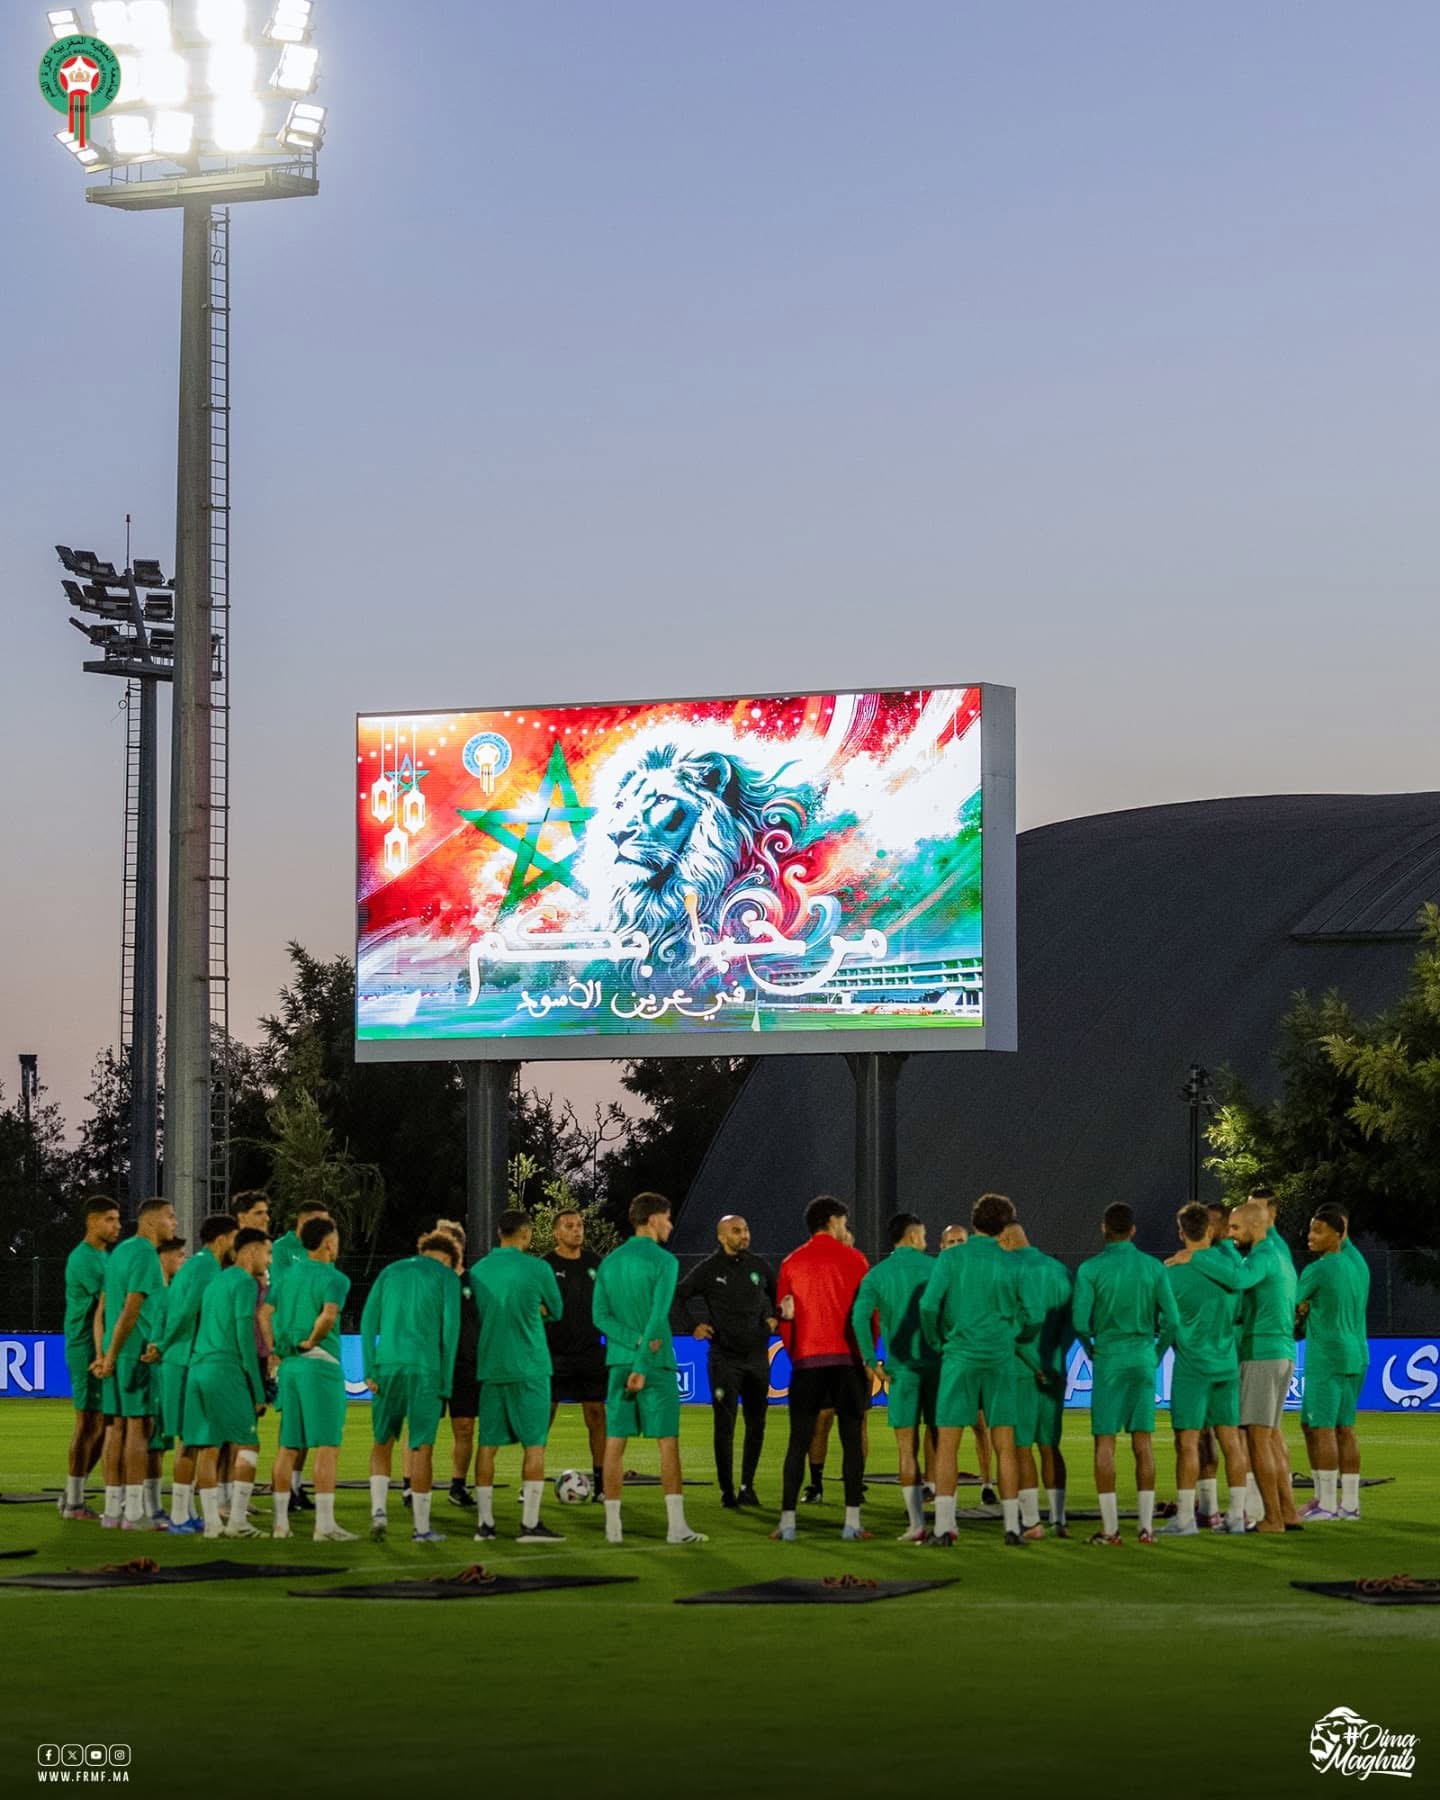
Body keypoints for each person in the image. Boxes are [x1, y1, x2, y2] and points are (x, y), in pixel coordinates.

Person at [920, 1192, 1042, 1547]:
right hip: (1000, 1358)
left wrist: (937, 1340)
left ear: (974, 1223)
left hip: (959, 1356)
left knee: (948, 1443)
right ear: (1005, 1226)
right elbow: (1034, 1316)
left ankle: (944, 1528)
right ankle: (1010, 1526)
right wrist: (1013, 1336)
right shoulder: (1014, 1264)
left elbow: (929, 1306)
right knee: (1004, 1443)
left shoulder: (953, 1258)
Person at [592, 1192, 706, 1546]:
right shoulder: (665, 1262)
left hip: (617, 1362)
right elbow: (658, 1317)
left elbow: (599, 1317)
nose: (671, 1225)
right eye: (668, 1218)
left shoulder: (609, 1263)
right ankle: (676, 1528)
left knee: (614, 1444)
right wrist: (642, 1356)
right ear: (654, 1219)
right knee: (667, 1443)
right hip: (653, 1365)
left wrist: (631, 1341)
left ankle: (613, 1528)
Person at [1071, 1202, 1180, 1548]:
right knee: (1143, 1443)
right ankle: (1146, 1529)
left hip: (1109, 1358)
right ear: (1133, 1230)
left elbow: (1078, 1321)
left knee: (1105, 1443)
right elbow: (1173, 1321)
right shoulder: (1152, 1267)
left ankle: (1111, 1529)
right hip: (1141, 1357)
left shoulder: (1091, 1269)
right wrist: (1156, 1353)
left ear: (1104, 1229)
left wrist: (1091, 1350)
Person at [1193, 1199, 1300, 1533]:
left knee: (1255, 1439)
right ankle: (1288, 1512)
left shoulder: (1263, 1257)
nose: (1232, 1235)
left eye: (1236, 1228)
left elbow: (1238, 1280)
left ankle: (1272, 1518)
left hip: (1262, 1352)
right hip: (1281, 1351)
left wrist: (1196, 1257)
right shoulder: (1281, 1255)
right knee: (1268, 1438)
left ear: (1256, 1226)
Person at [772, 1196, 871, 1543]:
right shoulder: (856, 1260)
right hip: (847, 1362)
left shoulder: (791, 1263)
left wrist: (796, 1354)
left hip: (807, 1363)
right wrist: (865, 1356)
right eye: (843, 1222)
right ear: (832, 1221)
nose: (846, 1228)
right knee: (851, 1442)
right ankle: (852, 1522)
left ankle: (787, 1523)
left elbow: (785, 1317)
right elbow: (867, 1314)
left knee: (798, 1442)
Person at [470, 1209, 566, 1544]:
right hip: (531, 1368)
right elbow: (557, 1310)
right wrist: (536, 1310)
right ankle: (529, 1525)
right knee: (535, 1445)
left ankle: (485, 1525)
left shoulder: (479, 1270)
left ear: (499, 1233)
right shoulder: (539, 1268)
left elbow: (475, 1315)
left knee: (487, 1445)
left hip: (492, 1367)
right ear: (525, 1233)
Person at [360, 1232, 461, 1543]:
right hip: (426, 1369)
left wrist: (369, 1369)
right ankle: (420, 1528)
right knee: (421, 1448)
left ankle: (378, 1511)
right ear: (447, 1259)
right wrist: (446, 1381)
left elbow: (367, 1322)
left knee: (382, 1442)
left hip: (387, 1366)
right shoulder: (447, 1278)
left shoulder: (390, 1271)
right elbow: (450, 1332)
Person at [1161, 1203, 1250, 1536]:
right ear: (1211, 1231)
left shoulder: (1171, 1272)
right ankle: (1236, 1516)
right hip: (1226, 1364)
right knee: (1231, 1442)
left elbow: (1165, 1322)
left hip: (1191, 1367)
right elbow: (1239, 1311)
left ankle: (1186, 1518)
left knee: (1187, 1442)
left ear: (1181, 1232)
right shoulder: (1228, 1270)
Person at [678, 1213, 778, 1509]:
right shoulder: (710, 1269)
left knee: (756, 1424)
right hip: (724, 1360)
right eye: (736, 1231)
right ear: (722, 1237)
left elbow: (783, 1296)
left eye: (746, 1229)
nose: (744, 1235)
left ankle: (748, 1486)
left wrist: (777, 1318)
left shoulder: (759, 1267)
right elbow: (678, 1295)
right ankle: (727, 1491)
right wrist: (691, 1326)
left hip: (758, 1359)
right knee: (725, 1425)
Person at [269, 1213, 355, 1542]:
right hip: (319, 1364)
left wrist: (277, 1347)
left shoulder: (287, 1276)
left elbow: (265, 1313)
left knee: (288, 1446)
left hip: (289, 1365)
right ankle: (324, 1525)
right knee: (327, 1446)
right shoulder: (334, 1278)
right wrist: (313, 1340)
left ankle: (280, 1525)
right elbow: (329, 1315)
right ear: (329, 1242)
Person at [851, 1212, 937, 1541]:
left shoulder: (878, 1275)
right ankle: (945, 1522)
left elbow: (860, 1318)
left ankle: (916, 1524)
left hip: (901, 1372)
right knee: (942, 1444)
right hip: (938, 1367)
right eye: (924, 1235)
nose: (926, 1241)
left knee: (906, 1448)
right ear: (914, 1236)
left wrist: (872, 1360)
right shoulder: (936, 1268)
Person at [183, 1226, 272, 1538]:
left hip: (198, 1367)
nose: (269, 1260)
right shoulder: (245, 1283)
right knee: (249, 1442)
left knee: (209, 1445)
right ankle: (237, 1521)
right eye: (267, 1252)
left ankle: (211, 1524)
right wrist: (258, 1389)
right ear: (249, 1252)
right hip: (225, 1368)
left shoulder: (216, 1280)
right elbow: (244, 1336)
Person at [94, 1197, 177, 1531]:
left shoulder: (120, 1253)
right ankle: (133, 1514)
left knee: (115, 1428)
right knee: (138, 1430)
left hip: (117, 1353)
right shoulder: (144, 1254)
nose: (175, 1223)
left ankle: (113, 1511)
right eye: (171, 1217)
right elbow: (131, 1309)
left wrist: (104, 1355)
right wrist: (113, 1355)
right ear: (151, 1222)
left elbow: (102, 1310)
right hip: (136, 1353)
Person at [157, 1213, 237, 1533]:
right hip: (185, 1360)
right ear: (221, 1240)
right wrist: (164, 1344)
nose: (237, 1244)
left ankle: (185, 1512)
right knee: (193, 1441)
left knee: (192, 1440)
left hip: (182, 1358)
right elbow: (189, 1308)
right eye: (234, 1238)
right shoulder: (206, 1266)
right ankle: (179, 1516)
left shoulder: (197, 1264)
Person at [1295, 1203, 1370, 1522]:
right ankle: (1349, 1504)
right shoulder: (1357, 1264)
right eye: (1311, 1229)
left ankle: (1326, 1503)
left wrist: (1301, 1314)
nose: (1310, 1236)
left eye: (1318, 1230)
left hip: (1326, 1356)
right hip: (1357, 1354)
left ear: (1337, 1234)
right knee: (1343, 1429)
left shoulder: (1319, 1269)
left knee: (1322, 1427)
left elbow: (1291, 1306)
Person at [1000, 1222, 1074, 1538]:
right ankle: (1059, 1520)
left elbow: (1012, 1330)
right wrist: (1054, 1361)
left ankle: (1032, 1522)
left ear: (1005, 1239)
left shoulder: (1007, 1271)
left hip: (1021, 1370)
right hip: (1056, 1368)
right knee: (1050, 1445)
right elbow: (1074, 1324)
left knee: (1021, 1447)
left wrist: (1035, 1364)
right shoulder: (1059, 1270)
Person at [59, 1197, 121, 1521]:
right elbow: (107, 1303)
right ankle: (73, 1503)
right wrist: (101, 1354)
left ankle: (73, 1493)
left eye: (118, 1219)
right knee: (88, 1423)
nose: (117, 1225)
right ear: (92, 1222)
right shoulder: (83, 1259)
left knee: (103, 1423)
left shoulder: (105, 1257)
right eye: (110, 1219)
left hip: (101, 1346)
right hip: (85, 1347)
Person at [543, 1207, 608, 1502]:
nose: (576, 1230)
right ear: (557, 1232)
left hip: (591, 1353)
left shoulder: (597, 1264)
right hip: (553, 1353)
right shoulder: (544, 1265)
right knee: (544, 1417)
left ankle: (603, 1484)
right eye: (569, 1226)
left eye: (580, 1225)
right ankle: (529, 1482)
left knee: (596, 1415)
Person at [930, 1222, 995, 1502]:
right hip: (948, 1359)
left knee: (981, 1425)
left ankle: (987, 1484)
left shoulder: (977, 1275)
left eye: (961, 1242)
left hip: (972, 1357)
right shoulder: (939, 1274)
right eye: (952, 1243)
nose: (957, 1247)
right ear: (942, 1247)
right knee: (939, 1428)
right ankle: (936, 1487)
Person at [425, 1219, 481, 1512]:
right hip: (431, 1365)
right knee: (424, 1427)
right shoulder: (428, 1283)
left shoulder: (473, 1284)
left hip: (464, 1366)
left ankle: (457, 1485)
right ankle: (413, 1485)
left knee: (464, 1427)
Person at [144, 1235, 187, 1526]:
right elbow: (155, 1334)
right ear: (165, 1258)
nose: (183, 1261)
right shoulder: (159, 1294)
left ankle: (151, 1503)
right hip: (156, 1371)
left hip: (164, 1371)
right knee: (151, 1441)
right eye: (180, 1256)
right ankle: (146, 1503)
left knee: (158, 1442)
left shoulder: (169, 1292)